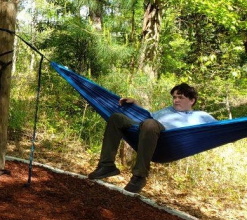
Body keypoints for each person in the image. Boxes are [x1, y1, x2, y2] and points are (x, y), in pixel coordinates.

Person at [88, 83, 216, 193]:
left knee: (150, 123)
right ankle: (106, 165)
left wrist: (235, 129)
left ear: (192, 100)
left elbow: (219, 128)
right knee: (116, 118)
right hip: (145, 131)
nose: (176, 100)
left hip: (167, 140)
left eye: (180, 97)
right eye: (174, 97)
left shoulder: (201, 116)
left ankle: (139, 176)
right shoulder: (168, 110)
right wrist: (135, 104)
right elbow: (147, 115)